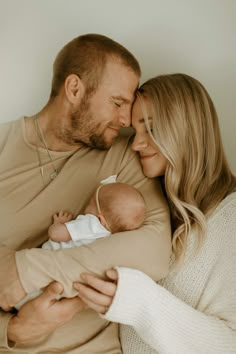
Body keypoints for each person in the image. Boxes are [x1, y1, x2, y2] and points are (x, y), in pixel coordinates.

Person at [0, 34, 171, 353]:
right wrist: (13, 329)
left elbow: (157, 249)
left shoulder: (124, 155)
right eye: (118, 103)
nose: (125, 120)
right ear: (75, 89)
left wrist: (24, 271)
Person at [74, 73, 236, 353]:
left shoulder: (230, 219)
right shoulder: (149, 204)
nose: (136, 144)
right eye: (136, 132)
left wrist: (139, 302)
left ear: (186, 130)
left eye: (150, 129)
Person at [15, 181, 146, 309]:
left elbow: (56, 234)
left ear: (100, 219)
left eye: (91, 204)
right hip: (58, 287)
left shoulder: (93, 225)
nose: (85, 208)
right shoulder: (109, 239)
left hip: (43, 267)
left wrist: (59, 224)